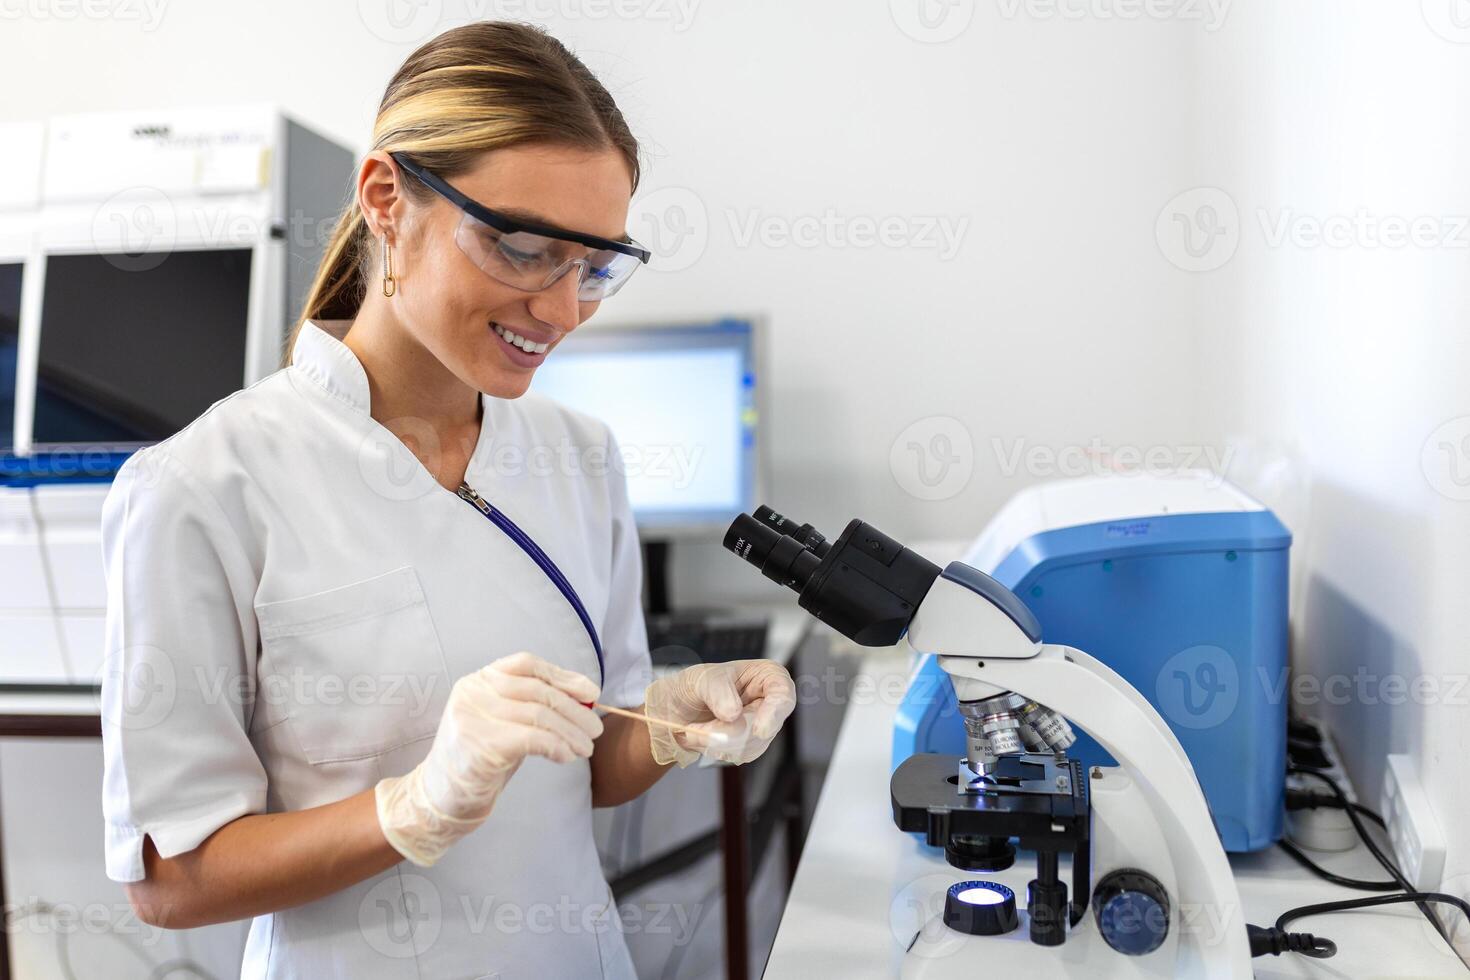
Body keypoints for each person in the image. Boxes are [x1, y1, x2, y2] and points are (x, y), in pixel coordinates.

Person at [99, 21, 796, 978]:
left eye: (594, 266)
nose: (561, 310)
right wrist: (417, 803)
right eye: (518, 247)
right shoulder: (204, 487)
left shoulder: (578, 456)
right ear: (387, 201)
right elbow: (171, 879)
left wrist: (675, 722)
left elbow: (596, 764)